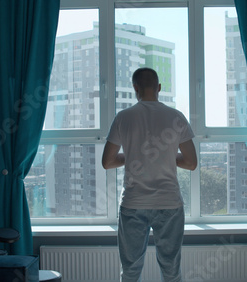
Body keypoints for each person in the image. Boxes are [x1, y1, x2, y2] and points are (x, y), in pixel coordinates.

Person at [102, 67, 197, 282]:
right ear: (159, 88)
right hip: (169, 204)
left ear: (135, 87)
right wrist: (164, 155)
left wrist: (135, 155)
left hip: (133, 203)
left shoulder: (123, 117)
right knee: (171, 271)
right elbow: (191, 163)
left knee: (130, 271)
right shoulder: (176, 117)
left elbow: (107, 162)